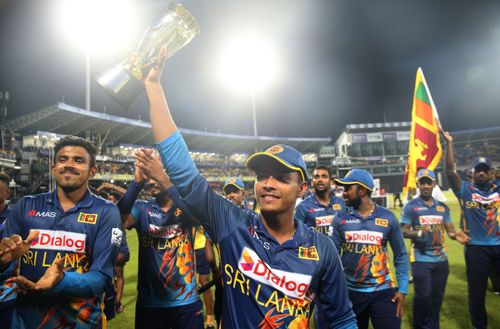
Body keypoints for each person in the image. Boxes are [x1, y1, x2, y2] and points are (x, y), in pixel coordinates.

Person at [138, 47, 357, 328]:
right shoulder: (232, 223)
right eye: (262, 175)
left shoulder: (322, 249)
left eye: (281, 177)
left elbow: (341, 319)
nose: (268, 184)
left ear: (302, 188)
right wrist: (153, 87)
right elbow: (185, 174)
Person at [0, 135, 122, 328]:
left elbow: (103, 277)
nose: (69, 164)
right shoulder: (25, 205)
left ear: (92, 171)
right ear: (54, 168)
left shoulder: (107, 211)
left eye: (78, 160)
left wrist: (63, 280)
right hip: (25, 322)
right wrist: (5, 261)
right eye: (63, 159)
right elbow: (3, 268)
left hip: (80, 323)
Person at [117, 151, 203, 329]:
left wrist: (166, 181)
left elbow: (200, 216)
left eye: (155, 174)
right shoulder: (141, 209)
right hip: (150, 303)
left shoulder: (185, 208)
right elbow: (119, 219)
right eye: (148, 176)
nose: (151, 181)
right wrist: (137, 183)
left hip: (185, 302)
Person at [330, 169, 408, 329]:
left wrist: (403, 289)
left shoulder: (388, 218)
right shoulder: (340, 218)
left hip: (383, 293)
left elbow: (400, 255)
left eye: (348, 188)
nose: (343, 193)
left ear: (362, 191)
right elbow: (332, 257)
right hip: (350, 293)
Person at [443, 131, 500, 329]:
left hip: (499, 246)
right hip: (476, 248)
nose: (482, 173)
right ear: (473, 173)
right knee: (477, 294)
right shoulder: (465, 190)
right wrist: (449, 143)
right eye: (479, 170)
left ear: (492, 173)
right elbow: (450, 171)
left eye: (486, 170)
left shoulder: (498, 189)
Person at [401, 168, 470, 329]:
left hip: (441, 260)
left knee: (437, 296)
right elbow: (403, 230)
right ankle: (420, 325)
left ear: (434, 184)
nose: (425, 186)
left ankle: (433, 325)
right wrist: (418, 232)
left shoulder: (442, 208)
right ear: (418, 184)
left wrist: (457, 235)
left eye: (428, 182)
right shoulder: (411, 207)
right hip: (420, 259)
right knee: (423, 295)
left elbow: (450, 229)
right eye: (422, 182)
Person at [295, 166, 346, 235]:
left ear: (331, 182)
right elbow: (296, 233)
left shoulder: (341, 203)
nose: (320, 180)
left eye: (324, 176)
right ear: (312, 182)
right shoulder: (303, 207)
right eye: (316, 177)